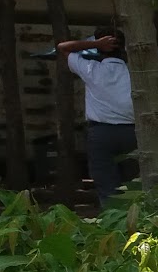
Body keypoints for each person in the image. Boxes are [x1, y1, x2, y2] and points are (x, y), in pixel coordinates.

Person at [57, 30, 135, 202]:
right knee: (133, 184)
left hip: (101, 133)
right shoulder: (135, 73)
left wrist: (95, 43)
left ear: (99, 50)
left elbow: (63, 47)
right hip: (132, 133)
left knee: (106, 184)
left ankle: (111, 221)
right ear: (123, 49)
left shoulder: (91, 68)